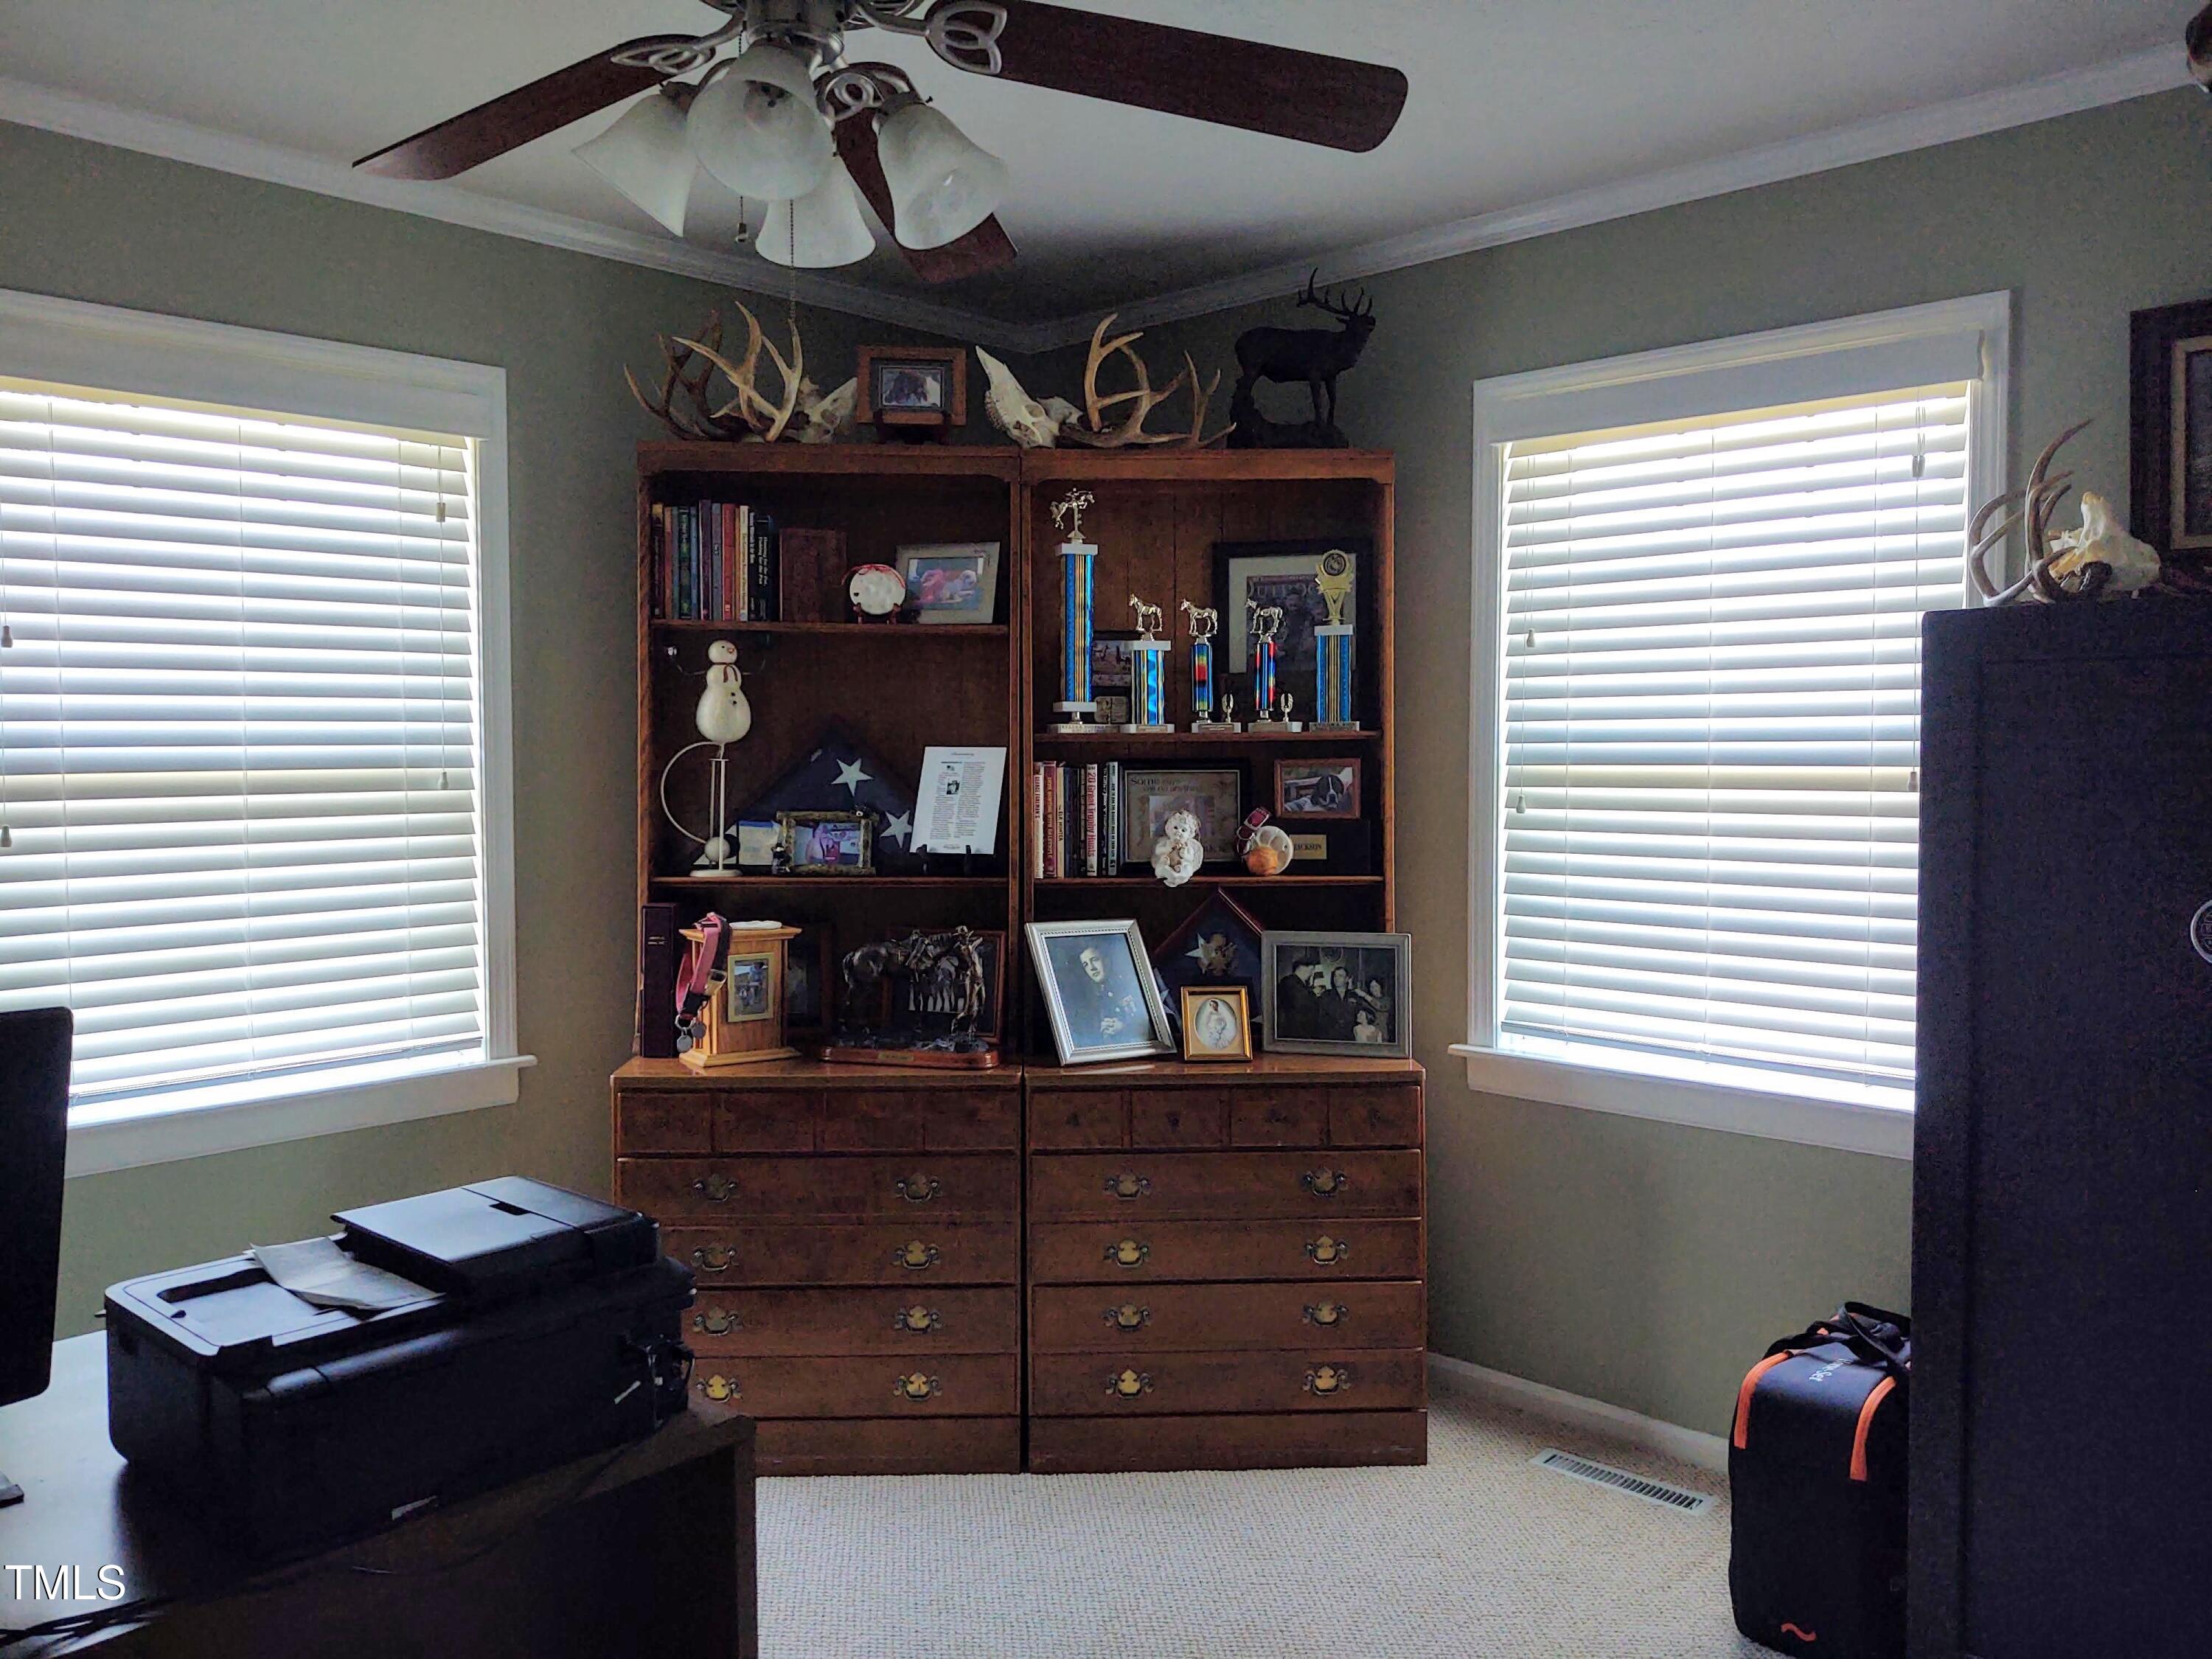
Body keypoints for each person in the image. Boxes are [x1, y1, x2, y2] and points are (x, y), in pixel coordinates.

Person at [1060, 941, 1148, 1049]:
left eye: (1095, 960)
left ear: (1106, 960)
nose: (1091, 968)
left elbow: (1149, 1028)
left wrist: (1124, 1028)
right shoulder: (1089, 999)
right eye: (1086, 965)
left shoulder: (1130, 986)